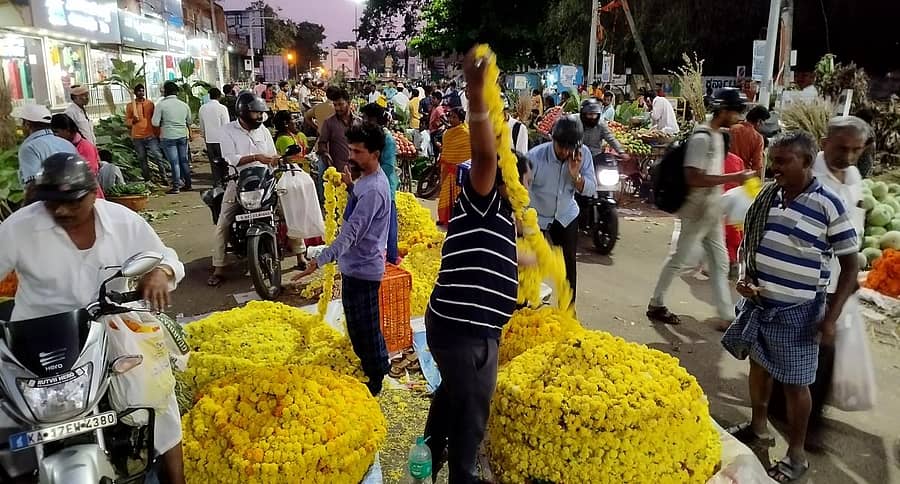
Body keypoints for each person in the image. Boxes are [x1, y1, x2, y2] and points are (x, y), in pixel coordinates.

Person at [0, 153, 186, 484]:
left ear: (92, 192)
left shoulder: (123, 222)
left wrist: (161, 271)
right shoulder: (19, 228)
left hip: (112, 333)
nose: (60, 211)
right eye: (51, 202)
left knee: (160, 404)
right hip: (40, 342)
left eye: (71, 202)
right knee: (13, 421)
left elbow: (167, 256)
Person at [722, 131, 859, 483]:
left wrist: (831, 317)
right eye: (773, 160)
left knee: (797, 386)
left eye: (784, 161)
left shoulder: (828, 204)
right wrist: (744, 276)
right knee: (758, 369)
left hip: (798, 313)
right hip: (759, 304)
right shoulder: (769, 197)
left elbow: (851, 267)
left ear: (807, 162)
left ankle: (796, 457)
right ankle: (757, 427)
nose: (774, 167)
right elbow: (750, 242)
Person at [423, 49, 519, 484]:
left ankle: (428, 449)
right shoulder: (483, 198)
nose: (523, 171)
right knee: (473, 406)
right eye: (516, 165)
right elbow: (484, 158)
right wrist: (477, 96)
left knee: (453, 392)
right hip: (466, 330)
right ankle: (463, 475)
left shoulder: (501, 216)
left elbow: (512, 257)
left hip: (463, 326)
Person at [766, 116, 869, 452]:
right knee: (808, 351)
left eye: (856, 149)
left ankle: (795, 416)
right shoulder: (806, 174)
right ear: (825, 142)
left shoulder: (853, 177)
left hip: (840, 280)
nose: (849, 156)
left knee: (819, 350)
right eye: (843, 148)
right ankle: (796, 426)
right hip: (806, 281)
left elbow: (852, 225)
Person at [293, 122, 392, 396]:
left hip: (363, 270)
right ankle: (376, 365)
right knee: (360, 325)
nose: (351, 156)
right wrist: (350, 188)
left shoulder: (373, 189)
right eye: (350, 149)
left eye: (358, 151)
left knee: (365, 329)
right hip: (355, 266)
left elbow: (351, 234)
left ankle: (376, 379)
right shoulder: (366, 182)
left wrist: (319, 260)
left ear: (375, 153)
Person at [646, 88, 755, 327]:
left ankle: (727, 316)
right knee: (679, 259)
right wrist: (734, 177)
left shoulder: (716, 135)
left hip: (711, 210)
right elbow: (693, 177)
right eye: (736, 111)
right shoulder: (702, 138)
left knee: (720, 262)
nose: (738, 117)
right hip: (696, 209)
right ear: (723, 111)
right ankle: (656, 303)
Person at [208, 93, 280, 287]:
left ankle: (299, 253)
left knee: (286, 208)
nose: (260, 117)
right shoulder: (227, 131)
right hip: (238, 181)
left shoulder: (263, 130)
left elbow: (273, 155)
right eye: (257, 113)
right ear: (244, 112)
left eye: (261, 114)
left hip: (264, 180)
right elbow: (230, 158)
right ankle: (219, 267)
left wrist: (276, 161)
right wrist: (256, 156)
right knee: (223, 222)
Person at [527, 115, 595, 300]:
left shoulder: (584, 155)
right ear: (552, 140)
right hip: (537, 216)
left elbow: (591, 189)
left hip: (566, 216)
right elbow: (522, 192)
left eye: (570, 147)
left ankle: (569, 309)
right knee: (530, 263)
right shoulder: (535, 157)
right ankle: (526, 304)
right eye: (561, 146)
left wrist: (576, 176)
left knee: (568, 264)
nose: (565, 152)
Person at [271, 110, 324, 270]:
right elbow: (288, 158)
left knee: (306, 211)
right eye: (293, 119)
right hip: (289, 181)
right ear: (286, 123)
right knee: (293, 215)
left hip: (304, 178)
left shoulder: (300, 136)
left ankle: (307, 249)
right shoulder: (283, 139)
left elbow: (305, 151)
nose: (297, 121)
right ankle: (300, 255)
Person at [360, 103, 400, 264]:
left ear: (375, 119)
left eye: (366, 118)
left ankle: (391, 257)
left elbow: (388, 166)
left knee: (388, 223)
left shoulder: (387, 139)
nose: (363, 121)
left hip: (384, 187)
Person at [13, 104, 76, 192]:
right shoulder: (68, 144)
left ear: (27, 124)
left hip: (49, 203)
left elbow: (33, 186)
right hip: (75, 200)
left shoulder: (29, 148)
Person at [316, 88, 357, 204]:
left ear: (349, 103)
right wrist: (325, 155)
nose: (337, 108)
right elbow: (322, 143)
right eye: (335, 105)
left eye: (340, 104)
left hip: (357, 173)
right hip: (339, 174)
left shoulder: (358, 122)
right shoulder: (329, 123)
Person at [50, 113, 104, 199]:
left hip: (88, 196)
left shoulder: (85, 147)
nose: (54, 136)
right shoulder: (62, 145)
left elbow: (90, 173)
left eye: (56, 132)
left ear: (67, 130)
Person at [152, 81, 192, 194]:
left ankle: (176, 186)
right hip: (182, 135)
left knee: (174, 162)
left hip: (168, 135)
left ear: (165, 91)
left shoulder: (161, 105)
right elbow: (189, 120)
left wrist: (164, 123)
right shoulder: (184, 105)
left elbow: (155, 123)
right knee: (183, 160)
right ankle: (188, 184)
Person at [437, 107, 471, 225]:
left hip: (460, 172)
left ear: (461, 119)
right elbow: (446, 150)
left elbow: (468, 153)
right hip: (448, 170)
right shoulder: (447, 133)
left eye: (454, 117)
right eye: (450, 116)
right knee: (445, 195)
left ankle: (458, 220)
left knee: (458, 196)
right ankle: (445, 218)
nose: (451, 119)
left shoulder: (466, 134)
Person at [126, 84, 167, 182]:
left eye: (142, 91)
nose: (141, 93)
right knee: (142, 159)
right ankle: (147, 179)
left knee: (158, 156)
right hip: (137, 137)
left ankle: (164, 176)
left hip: (150, 135)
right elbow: (127, 121)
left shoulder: (150, 104)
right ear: (135, 93)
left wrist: (158, 134)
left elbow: (154, 118)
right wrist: (133, 121)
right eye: (139, 91)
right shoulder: (130, 106)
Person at [730, 105, 770, 178]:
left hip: (726, 173)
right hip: (743, 176)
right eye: (763, 123)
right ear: (759, 121)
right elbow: (757, 166)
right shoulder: (757, 138)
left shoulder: (732, 129)